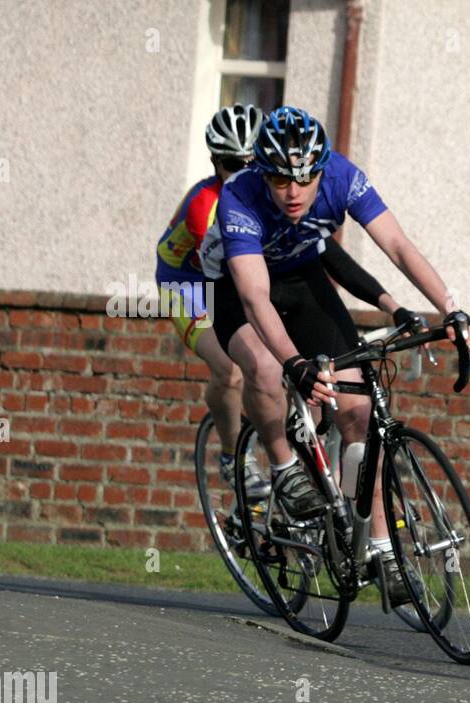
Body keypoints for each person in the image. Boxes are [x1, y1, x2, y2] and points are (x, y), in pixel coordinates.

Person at [200, 105, 470, 605]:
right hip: (238, 288)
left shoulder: (342, 177)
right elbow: (254, 298)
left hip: (305, 281)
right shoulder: (239, 196)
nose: (294, 192)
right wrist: (296, 364)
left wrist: (452, 310)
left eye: (305, 179)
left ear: (321, 169)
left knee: (358, 413)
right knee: (265, 366)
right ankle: (285, 466)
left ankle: (380, 548)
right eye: (282, 181)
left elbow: (396, 243)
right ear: (263, 174)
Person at [156, 104, 395, 501]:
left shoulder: (266, 193)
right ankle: (236, 457)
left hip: (244, 282)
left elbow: (320, 251)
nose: (241, 170)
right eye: (231, 162)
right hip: (191, 284)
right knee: (234, 369)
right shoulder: (210, 205)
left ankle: (305, 462)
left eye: (250, 161)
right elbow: (240, 288)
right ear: (215, 161)